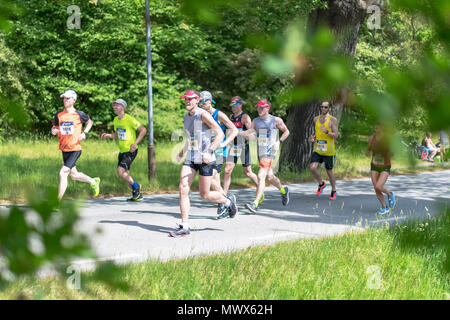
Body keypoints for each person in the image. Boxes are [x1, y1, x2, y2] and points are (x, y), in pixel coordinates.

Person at [170, 90, 237, 237]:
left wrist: (210, 151)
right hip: (191, 158)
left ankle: (227, 202)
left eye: (190, 99)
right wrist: (182, 152)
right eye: (185, 99)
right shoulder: (186, 117)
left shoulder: (203, 114)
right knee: (183, 187)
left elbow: (220, 133)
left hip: (206, 159)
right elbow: (189, 137)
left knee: (204, 194)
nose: (187, 101)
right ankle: (185, 226)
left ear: (197, 100)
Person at [51, 89, 100, 200]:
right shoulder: (58, 114)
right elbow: (54, 128)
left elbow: (90, 122)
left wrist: (84, 133)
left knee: (63, 173)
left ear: (74, 100)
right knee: (74, 175)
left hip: (75, 149)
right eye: (64, 98)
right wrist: (53, 131)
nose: (65, 100)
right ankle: (93, 181)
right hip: (64, 149)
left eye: (68, 98)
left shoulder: (79, 114)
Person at [244, 99, 290, 213]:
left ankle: (255, 203)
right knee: (269, 176)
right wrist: (248, 135)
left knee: (261, 175)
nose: (259, 110)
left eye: (261, 108)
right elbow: (249, 133)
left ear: (267, 108)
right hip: (261, 151)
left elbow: (286, 131)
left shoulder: (275, 120)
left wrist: (279, 142)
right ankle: (284, 191)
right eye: (258, 108)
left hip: (270, 151)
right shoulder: (255, 121)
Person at [198, 91, 238, 219]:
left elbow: (235, 130)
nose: (201, 104)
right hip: (208, 151)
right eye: (200, 102)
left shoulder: (218, 114)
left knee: (211, 179)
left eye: (203, 102)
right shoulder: (201, 114)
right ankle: (226, 201)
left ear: (210, 101)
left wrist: (225, 142)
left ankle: (226, 201)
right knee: (214, 180)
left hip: (219, 151)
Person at [100, 99, 147, 201]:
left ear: (123, 107)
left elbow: (143, 130)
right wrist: (108, 135)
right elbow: (117, 135)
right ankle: (137, 195)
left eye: (117, 105)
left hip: (131, 151)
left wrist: (135, 143)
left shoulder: (130, 119)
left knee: (120, 171)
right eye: (114, 105)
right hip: (122, 151)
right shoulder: (116, 120)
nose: (115, 107)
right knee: (126, 175)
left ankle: (136, 186)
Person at [223, 97, 259, 200]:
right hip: (234, 147)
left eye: (235, 105)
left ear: (240, 105)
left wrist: (241, 133)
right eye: (232, 106)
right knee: (227, 170)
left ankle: (260, 187)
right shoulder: (231, 117)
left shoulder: (245, 117)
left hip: (243, 147)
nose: (233, 108)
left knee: (247, 172)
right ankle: (224, 195)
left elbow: (252, 134)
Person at [309, 101, 338, 200]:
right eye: (322, 107)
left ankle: (333, 190)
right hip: (318, 149)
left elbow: (336, 135)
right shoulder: (315, 119)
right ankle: (321, 184)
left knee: (329, 171)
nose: (323, 108)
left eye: (325, 107)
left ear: (329, 108)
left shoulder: (333, 120)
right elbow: (317, 133)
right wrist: (313, 138)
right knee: (312, 167)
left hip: (329, 151)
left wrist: (327, 132)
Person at [365, 123, 396, 215]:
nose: (376, 127)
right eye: (375, 125)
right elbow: (368, 149)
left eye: (378, 125)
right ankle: (384, 207)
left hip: (385, 165)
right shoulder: (372, 138)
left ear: (382, 127)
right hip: (374, 165)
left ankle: (390, 194)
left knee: (379, 186)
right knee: (376, 188)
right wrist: (367, 152)